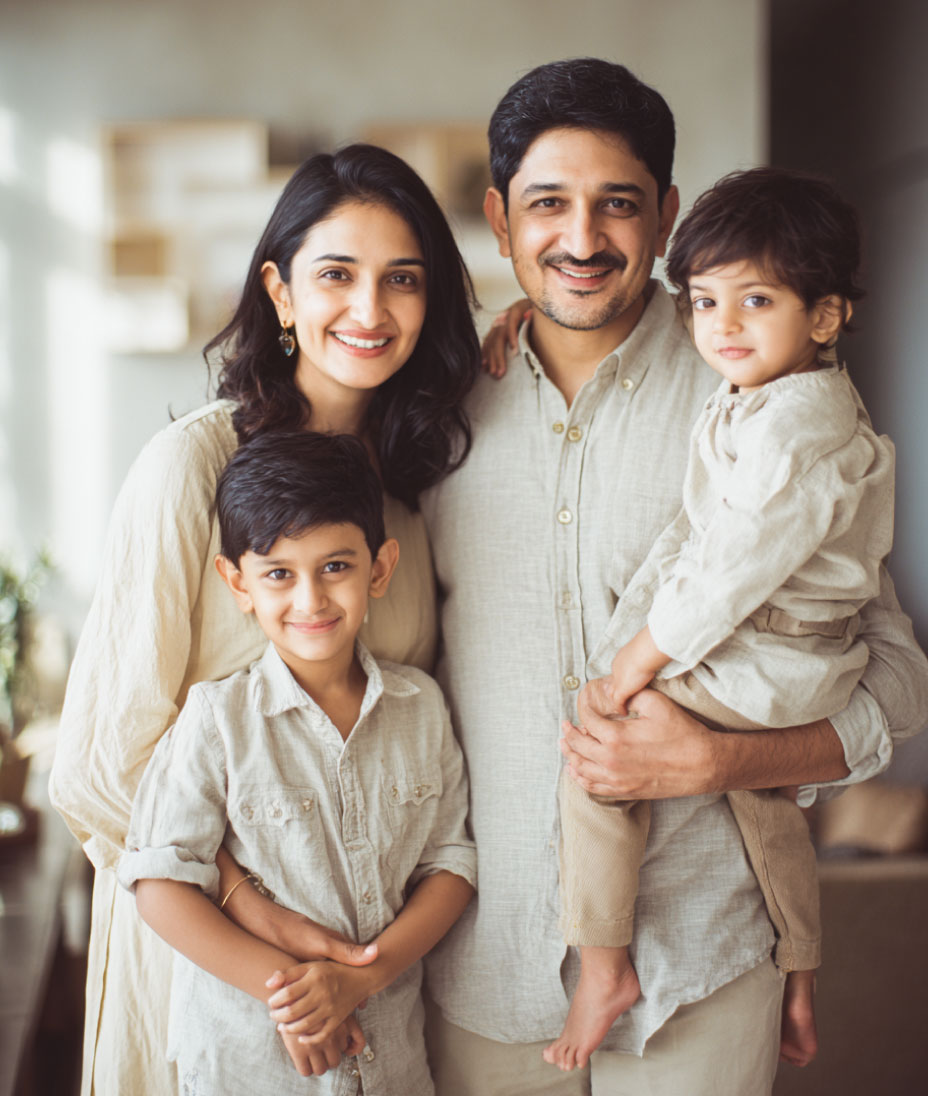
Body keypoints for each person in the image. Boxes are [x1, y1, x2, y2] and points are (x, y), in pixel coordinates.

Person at [420, 58, 928, 1096]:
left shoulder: (764, 395)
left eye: (616, 204)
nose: (579, 238)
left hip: (700, 958)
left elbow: (893, 679)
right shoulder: (433, 406)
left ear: (665, 213)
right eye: (546, 204)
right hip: (481, 969)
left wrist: (721, 761)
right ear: (498, 216)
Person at [49, 143, 481, 1096]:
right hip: (210, 970)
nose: (369, 311)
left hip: (373, 982)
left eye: (401, 280)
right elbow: (97, 763)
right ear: (280, 293)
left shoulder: (410, 493)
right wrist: (256, 914)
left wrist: (365, 960)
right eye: (337, 274)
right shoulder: (188, 471)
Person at [548, 167, 894, 1072]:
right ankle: (802, 959)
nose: (722, 326)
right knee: (765, 806)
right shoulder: (758, 401)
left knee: (598, 758)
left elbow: (725, 569)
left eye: (756, 300)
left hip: (773, 658)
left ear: (823, 315)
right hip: (782, 661)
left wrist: (632, 664)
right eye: (703, 302)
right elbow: (693, 536)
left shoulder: (796, 426)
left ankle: (603, 962)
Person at [118, 431, 476, 1094]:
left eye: (335, 567)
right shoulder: (217, 720)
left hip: (393, 1061)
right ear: (238, 583)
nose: (310, 600)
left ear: (380, 567)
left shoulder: (420, 707)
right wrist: (294, 998)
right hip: (253, 1066)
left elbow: (450, 866)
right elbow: (162, 885)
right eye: (279, 573)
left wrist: (359, 979)